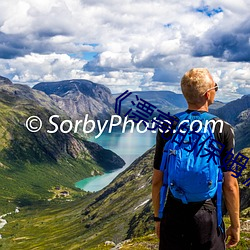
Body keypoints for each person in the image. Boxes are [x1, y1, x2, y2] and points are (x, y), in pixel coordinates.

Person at [152, 68, 240, 250]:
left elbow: (157, 181)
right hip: (207, 215)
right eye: (216, 87)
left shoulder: (168, 126)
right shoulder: (222, 129)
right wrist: (235, 226)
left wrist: (158, 218)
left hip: (174, 212)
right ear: (208, 94)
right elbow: (230, 185)